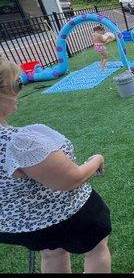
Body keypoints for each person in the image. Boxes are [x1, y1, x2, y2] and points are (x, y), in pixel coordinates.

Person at [0, 57, 111, 273]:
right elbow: (70, 180)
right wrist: (96, 159)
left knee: (52, 251)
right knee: (96, 249)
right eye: (17, 84)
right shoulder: (18, 142)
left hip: (16, 226)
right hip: (60, 215)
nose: (18, 91)